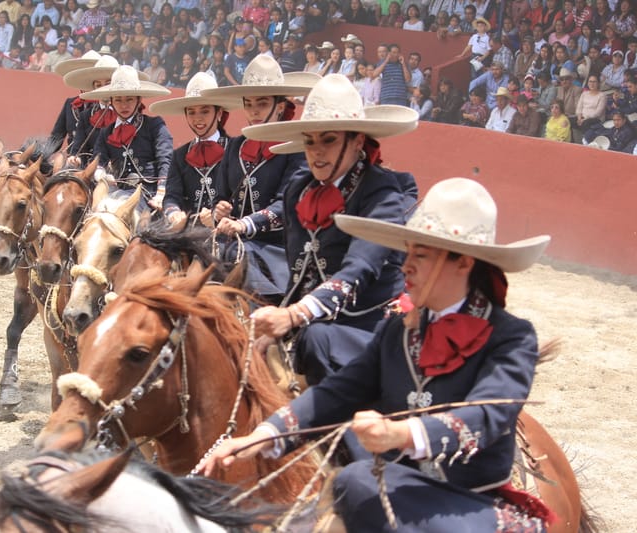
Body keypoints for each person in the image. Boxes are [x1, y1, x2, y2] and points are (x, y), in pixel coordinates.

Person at [201, 176, 553, 533]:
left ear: (463, 262)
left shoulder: (511, 336)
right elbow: (339, 392)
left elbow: (488, 415)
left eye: (421, 255)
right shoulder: (396, 331)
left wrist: (403, 434)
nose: (405, 267)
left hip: (470, 501)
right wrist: (264, 435)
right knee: (346, 486)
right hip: (394, 486)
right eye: (408, 252)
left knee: (356, 480)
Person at [236, 73, 419, 393]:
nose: (316, 151)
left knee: (317, 340)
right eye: (310, 140)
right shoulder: (299, 189)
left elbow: (359, 269)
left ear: (357, 141)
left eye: (329, 139)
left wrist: (294, 316)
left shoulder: (384, 193)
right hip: (308, 324)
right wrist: (281, 321)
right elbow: (300, 272)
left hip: (367, 324)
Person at [198, 54, 318, 304]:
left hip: (276, 248)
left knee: (243, 261)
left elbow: (287, 203)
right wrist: (219, 210)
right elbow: (221, 194)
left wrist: (245, 224)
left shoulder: (296, 148)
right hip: (231, 240)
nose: (253, 111)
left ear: (281, 106)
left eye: (261, 104)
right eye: (249, 104)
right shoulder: (236, 145)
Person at [149, 72, 242, 227]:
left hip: (225, 229)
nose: (197, 118)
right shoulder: (179, 155)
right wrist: (174, 213)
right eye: (191, 112)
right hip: (188, 231)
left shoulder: (236, 150)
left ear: (219, 113)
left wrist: (222, 214)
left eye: (204, 111)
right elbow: (172, 196)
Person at [82, 65, 173, 210]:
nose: (124, 105)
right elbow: (98, 161)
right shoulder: (106, 132)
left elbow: (165, 158)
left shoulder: (154, 125)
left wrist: (162, 191)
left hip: (150, 194)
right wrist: (101, 174)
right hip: (119, 192)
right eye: (118, 100)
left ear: (139, 100)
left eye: (129, 99)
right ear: (111, 101)